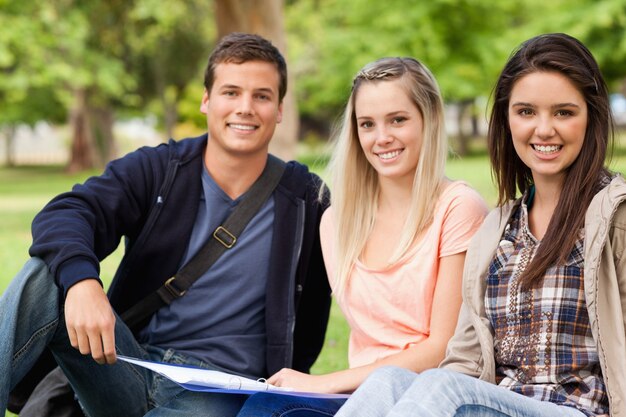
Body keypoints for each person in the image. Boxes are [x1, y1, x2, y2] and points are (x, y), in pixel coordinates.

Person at [0, 32, 332, 417]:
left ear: (279, 109)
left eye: (261, 95)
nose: (245, 107)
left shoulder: (307, 199)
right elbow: (69, 211)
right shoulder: (161, 169)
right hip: (128, 363)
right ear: (206, 101)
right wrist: (82, 282)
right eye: (231, 92)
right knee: (45, 277)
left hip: (220, 388)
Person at [334, 33, 626, 417]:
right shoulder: (496, 231)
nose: (543, 129)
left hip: (579, 410)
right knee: (387, 381)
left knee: (445, 387)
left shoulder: (616, 218)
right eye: (526, 112)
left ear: (591, 117)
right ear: (506, 120)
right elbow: (465, 360)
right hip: (501, 404)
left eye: (563, 112)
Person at [236, 57, 488, 416]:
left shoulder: (459, 208)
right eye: (367, 124)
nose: (382, 137)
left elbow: (442, 346)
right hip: (359, 397)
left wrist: (327, 380)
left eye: (398, 120)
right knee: (266, 409)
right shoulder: (337, 223)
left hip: (428, 398)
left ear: (429, 119)